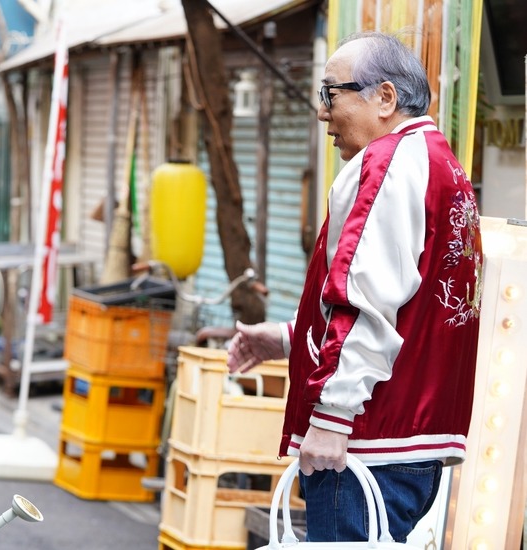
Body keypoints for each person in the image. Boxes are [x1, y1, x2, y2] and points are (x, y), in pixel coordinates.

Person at [227, 31, 483, 543]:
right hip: (409, 445)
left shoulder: (387, 163)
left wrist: (332, 417)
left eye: (330, 93)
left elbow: (363, 299)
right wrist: (287, 338)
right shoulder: (439, 164)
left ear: (385, 98)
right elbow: (404, 305)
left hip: (367, 442)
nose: (322, 113)